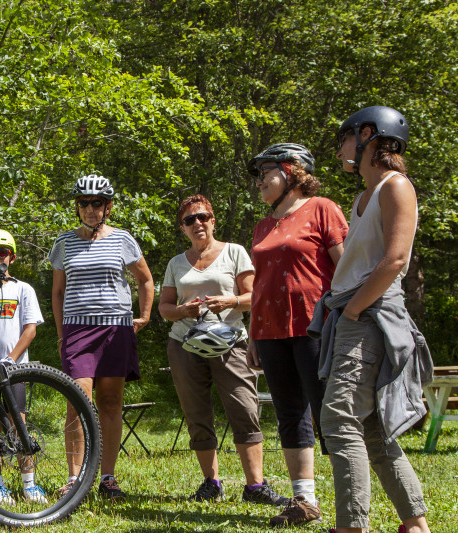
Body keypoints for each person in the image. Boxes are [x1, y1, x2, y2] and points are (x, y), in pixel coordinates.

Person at [309, 106, 432, 533]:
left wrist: (356, 309)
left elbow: (396, 259)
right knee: (373, 430)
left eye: (345, 138)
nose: (342, 148)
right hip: (354, 313)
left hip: (370, 316)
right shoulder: (364, 196)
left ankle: (351, 527)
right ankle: (415, 524)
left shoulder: (396, 187)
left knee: (339, 419)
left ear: (368, 136)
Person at [158, 194, 287, 507]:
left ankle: (255, 485)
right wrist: (182, 311)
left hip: (231, 344)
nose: (197, 223)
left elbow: (255, 294)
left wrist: (230, 301)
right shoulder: (176, 263)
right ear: (183, 228)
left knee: (244, 409)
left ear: (213, 221)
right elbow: (164, 307)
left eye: (202, 217)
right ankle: (211, 483)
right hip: (184, 345)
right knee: (197, 414)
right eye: (190, 220)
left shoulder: (234, 253)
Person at [245, 143, 348, 527]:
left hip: (315, 327)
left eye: (265, 173)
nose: (260, 182)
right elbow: (259, 285)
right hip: (270, 331)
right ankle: (304, 501)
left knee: (329, 413)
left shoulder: (322, 208)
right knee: (289, 413)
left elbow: (347, 269)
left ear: (291, 171)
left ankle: (350, 497)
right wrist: (253, 334)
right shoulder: (263, 224)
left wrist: (353, 318)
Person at [49, 174, 153, 500]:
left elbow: (145, 280)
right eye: (84, 203)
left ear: (108, 207)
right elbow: (57, 292)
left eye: (97, 203)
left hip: (116, 329)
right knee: (77, 399)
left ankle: (107, 477)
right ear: (77, 206)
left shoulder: (123, 239)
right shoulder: (63, 242)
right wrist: (61, 333)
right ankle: (75, 478)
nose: (91, 209)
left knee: (110, 402)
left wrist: (146, 316)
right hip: (78, 330)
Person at [0, 229, 46, 504]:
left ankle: (29, 484)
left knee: (19, 423)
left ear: (12, 257)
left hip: (14, 369)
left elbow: (30, 329)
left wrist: (11, 358)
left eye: (3, 252)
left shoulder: (23, 288)